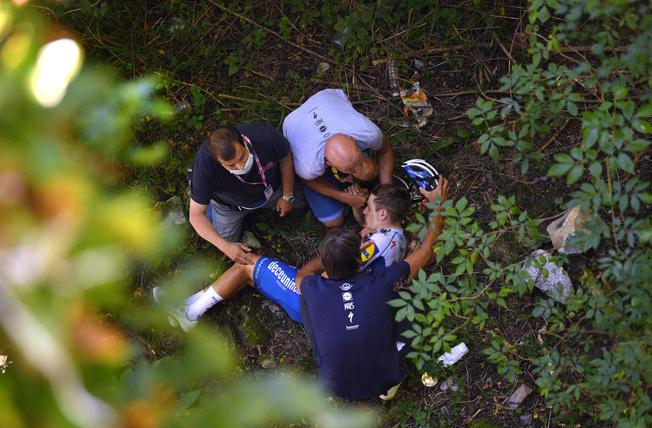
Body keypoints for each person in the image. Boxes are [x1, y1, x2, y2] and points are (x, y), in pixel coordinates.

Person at [159, 184, 411, 331]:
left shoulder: (374, 245)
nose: (365, 209)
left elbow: (332, 273)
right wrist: (359, 211)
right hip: (341, 311)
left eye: (369, 207)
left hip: (321, 305)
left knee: (248, 266)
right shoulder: (396, 239)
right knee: (253, 278)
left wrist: (306, 274)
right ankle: (188, 304)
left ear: (384, 215)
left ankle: (189, 315)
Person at [298, 177, 449, 401]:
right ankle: (391, 384)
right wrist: (438, 205)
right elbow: (427, 250)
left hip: (335, 385)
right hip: (386, 378)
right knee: (408, 296)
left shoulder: (314, 289)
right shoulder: (384, 282)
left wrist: (328, 258)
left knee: (306, 303)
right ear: (361, 260)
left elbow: (301, 275)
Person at [189, 125, 304, 264]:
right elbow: (195, 215)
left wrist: (287, 195)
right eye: (231, 165)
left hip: (271, 189)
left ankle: (201, 195)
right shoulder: (205, 167)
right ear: (218, 162)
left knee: (301, 200)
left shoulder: (265, 136)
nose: (240, 166)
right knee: (223, 239)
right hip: (230, 207)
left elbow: (285, 158)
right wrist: (225, 247)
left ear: (244, 140)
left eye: (242, 156)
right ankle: (203, 200)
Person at [282, 89, 394, 228]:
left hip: (325, 98)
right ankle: (342, 183)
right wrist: (341, 196)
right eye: (350, 168)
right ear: (327, 163)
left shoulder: (367, 132)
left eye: (358, 160)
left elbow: (385, 150)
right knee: (333, 221)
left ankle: (348, 175)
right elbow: (308, 180)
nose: (358, 169)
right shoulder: (309, 166)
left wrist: (386, 192)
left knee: (368, 171)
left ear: (353, 140)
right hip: (293, 122)